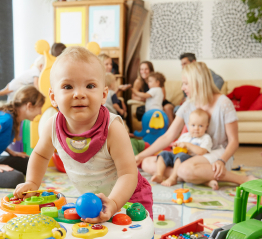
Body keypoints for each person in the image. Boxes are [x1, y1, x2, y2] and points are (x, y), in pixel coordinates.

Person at [13, 46, 153, 223]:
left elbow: (128, 173)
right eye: (68, 86)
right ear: (53, 96)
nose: (79, 94)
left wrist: (114, 203)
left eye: (90, 86)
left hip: (130, 199)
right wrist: (32, 182)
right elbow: (40, 154)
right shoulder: (53, 127)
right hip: (93, 203)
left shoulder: (113, 128)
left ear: (103, 95)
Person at [136, 62, 257, 190]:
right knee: (147, 163)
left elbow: (233, 142)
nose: (182, 88)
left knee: (184, 169)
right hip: (190, 155)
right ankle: (202, 178)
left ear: (198, 82)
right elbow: (168, 136)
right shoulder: (188, 105)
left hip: (217, 154)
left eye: (186, 83)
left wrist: (221, 160)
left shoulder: (224, 104)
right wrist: (140, 156)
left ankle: (244, 179)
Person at [152, 109, 212, 187]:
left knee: (180, 156)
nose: (196, 128)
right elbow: (176, 148)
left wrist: (188, 145)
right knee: (163, 154)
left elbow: (201, 151)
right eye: (193, 125)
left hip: (190, 159)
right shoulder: (185, 136)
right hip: (178, 156)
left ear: (206, 127)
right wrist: (175, 147)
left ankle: (173, 178)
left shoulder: (205, 138)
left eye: (200, 126)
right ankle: (159, 174)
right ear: (188, 125)